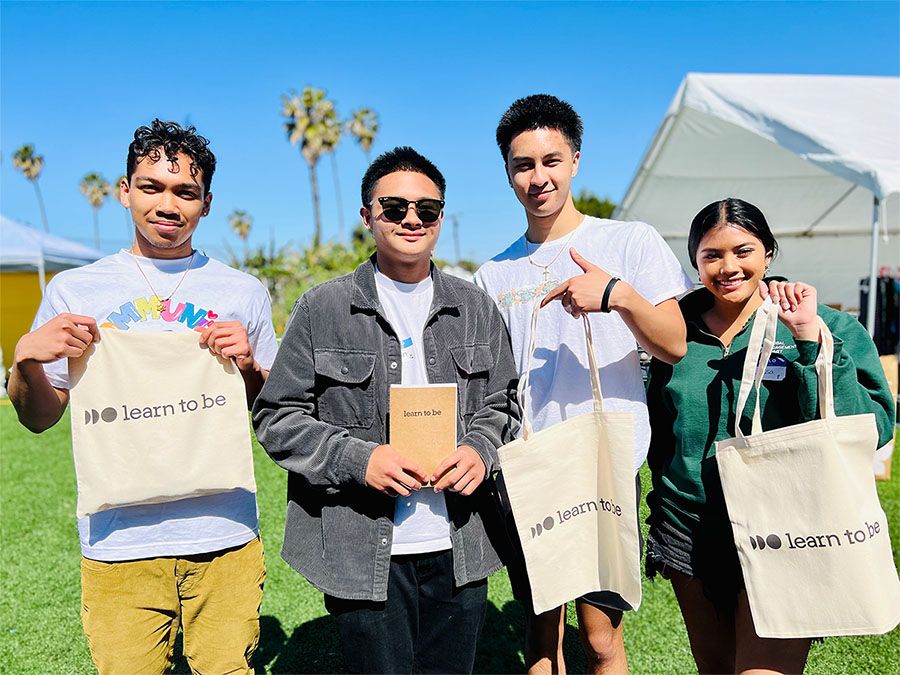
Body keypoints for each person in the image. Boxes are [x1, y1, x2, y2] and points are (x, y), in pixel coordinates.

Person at [8, 119, 278, 674]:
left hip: (223, 531)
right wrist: (25, 358)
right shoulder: (74, 290)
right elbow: (39, 417)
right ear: (125, 191)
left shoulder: (242, 291)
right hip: (117, 540)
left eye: (185, 192)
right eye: (151, 187)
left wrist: (250, 366)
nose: (168, 204)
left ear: (206, 203)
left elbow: (270, 412)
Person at [252, 146, 520, 674]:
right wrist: (359, 460)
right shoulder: (321, 308)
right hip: (360, 548)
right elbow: (277, 415)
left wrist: (481, 449)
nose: (412, 219)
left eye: (428, 208)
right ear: (367, 216)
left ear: (442, 216)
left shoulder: (475, 307)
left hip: (460, 544)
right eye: (394, 207)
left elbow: (504, 403)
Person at [475, 94, 691, 674]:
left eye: (551, 161)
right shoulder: (492, 275)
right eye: (523, 165)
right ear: (508, 173)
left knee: (600, 639)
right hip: (524, 464)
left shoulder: (629, 242)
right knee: (540, 631)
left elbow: (672, 341)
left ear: (575, 161)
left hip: (602, 460)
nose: (538, 178)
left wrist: (616, 294)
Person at [644, 197, 895, 674]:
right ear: (695, 263)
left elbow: (872, 427)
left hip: (787, 528)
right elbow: (660, 433)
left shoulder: (828, 326)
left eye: (744, 251)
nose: (728, 267)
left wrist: (808, 342)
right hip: (690, 531)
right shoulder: (675, 333)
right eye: (711, 256)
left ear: (769, 253)